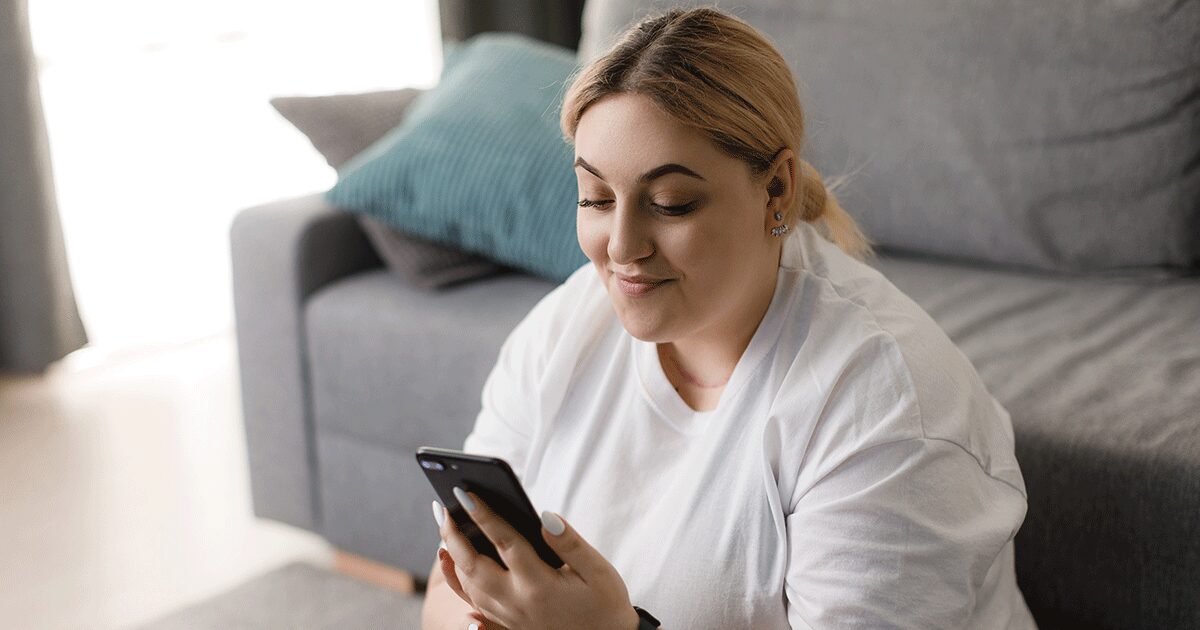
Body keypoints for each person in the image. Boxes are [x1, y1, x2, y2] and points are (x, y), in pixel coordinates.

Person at [421, 6, 1037, 630]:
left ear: (776, 190)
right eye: (596, 198)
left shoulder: (882, 409)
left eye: (671, 203)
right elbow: (451, 586)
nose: (622, 246)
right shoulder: (565, 329)